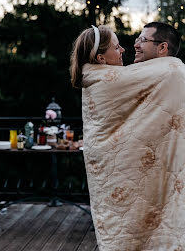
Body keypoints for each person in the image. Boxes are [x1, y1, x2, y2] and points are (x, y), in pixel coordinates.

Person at [70, 25, 185, 251]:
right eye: (117, 46)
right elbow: (173, 68)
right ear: (101, 57)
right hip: (122, 166)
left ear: (162, 47)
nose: (128, 47)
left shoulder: (123, 76)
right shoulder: (112, 79)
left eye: (142, 39)